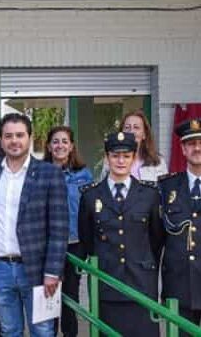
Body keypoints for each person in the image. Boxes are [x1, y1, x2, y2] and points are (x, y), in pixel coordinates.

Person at [0, 113, 67, 337]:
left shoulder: (50, 174)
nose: (14, 141)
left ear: (30, 138)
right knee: (9, 331)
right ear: (1, 140)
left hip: (38, 271)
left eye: (20, 135)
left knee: (43, 331)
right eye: (8, 136)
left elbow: (59, 228)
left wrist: (52, 272)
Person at [78, 131, 164, 337]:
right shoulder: (91, 196)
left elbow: (156, 239)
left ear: (134, 158)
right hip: (107, 284)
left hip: (141, 284)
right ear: (107, 158)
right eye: (115, 155)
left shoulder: (150, 195)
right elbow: (87, 239)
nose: (120, 161)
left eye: (126, 156)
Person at [43, 126, 93, 337]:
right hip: (48, 245)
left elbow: (90, 209)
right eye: (55, 141)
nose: (60, 145)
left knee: (70, 296)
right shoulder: (40, 172)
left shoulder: (84, 174)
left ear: (71, 146)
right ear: (48, 146)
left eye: (64, 141)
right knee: (49, 297)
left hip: (75, 243)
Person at [161, 118, 201, 336]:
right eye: (191, 143)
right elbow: (156, 242)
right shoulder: (166, 187)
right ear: (183, 149)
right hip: (179, 286)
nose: (197, 148)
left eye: (200, 142)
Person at [101, 110, 168, 181]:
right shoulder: (113, 160)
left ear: (144, 134)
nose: (131, 131)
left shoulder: (158, 161)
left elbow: (164, 189)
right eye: (127, 127)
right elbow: (103, 187)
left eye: (136, 127)